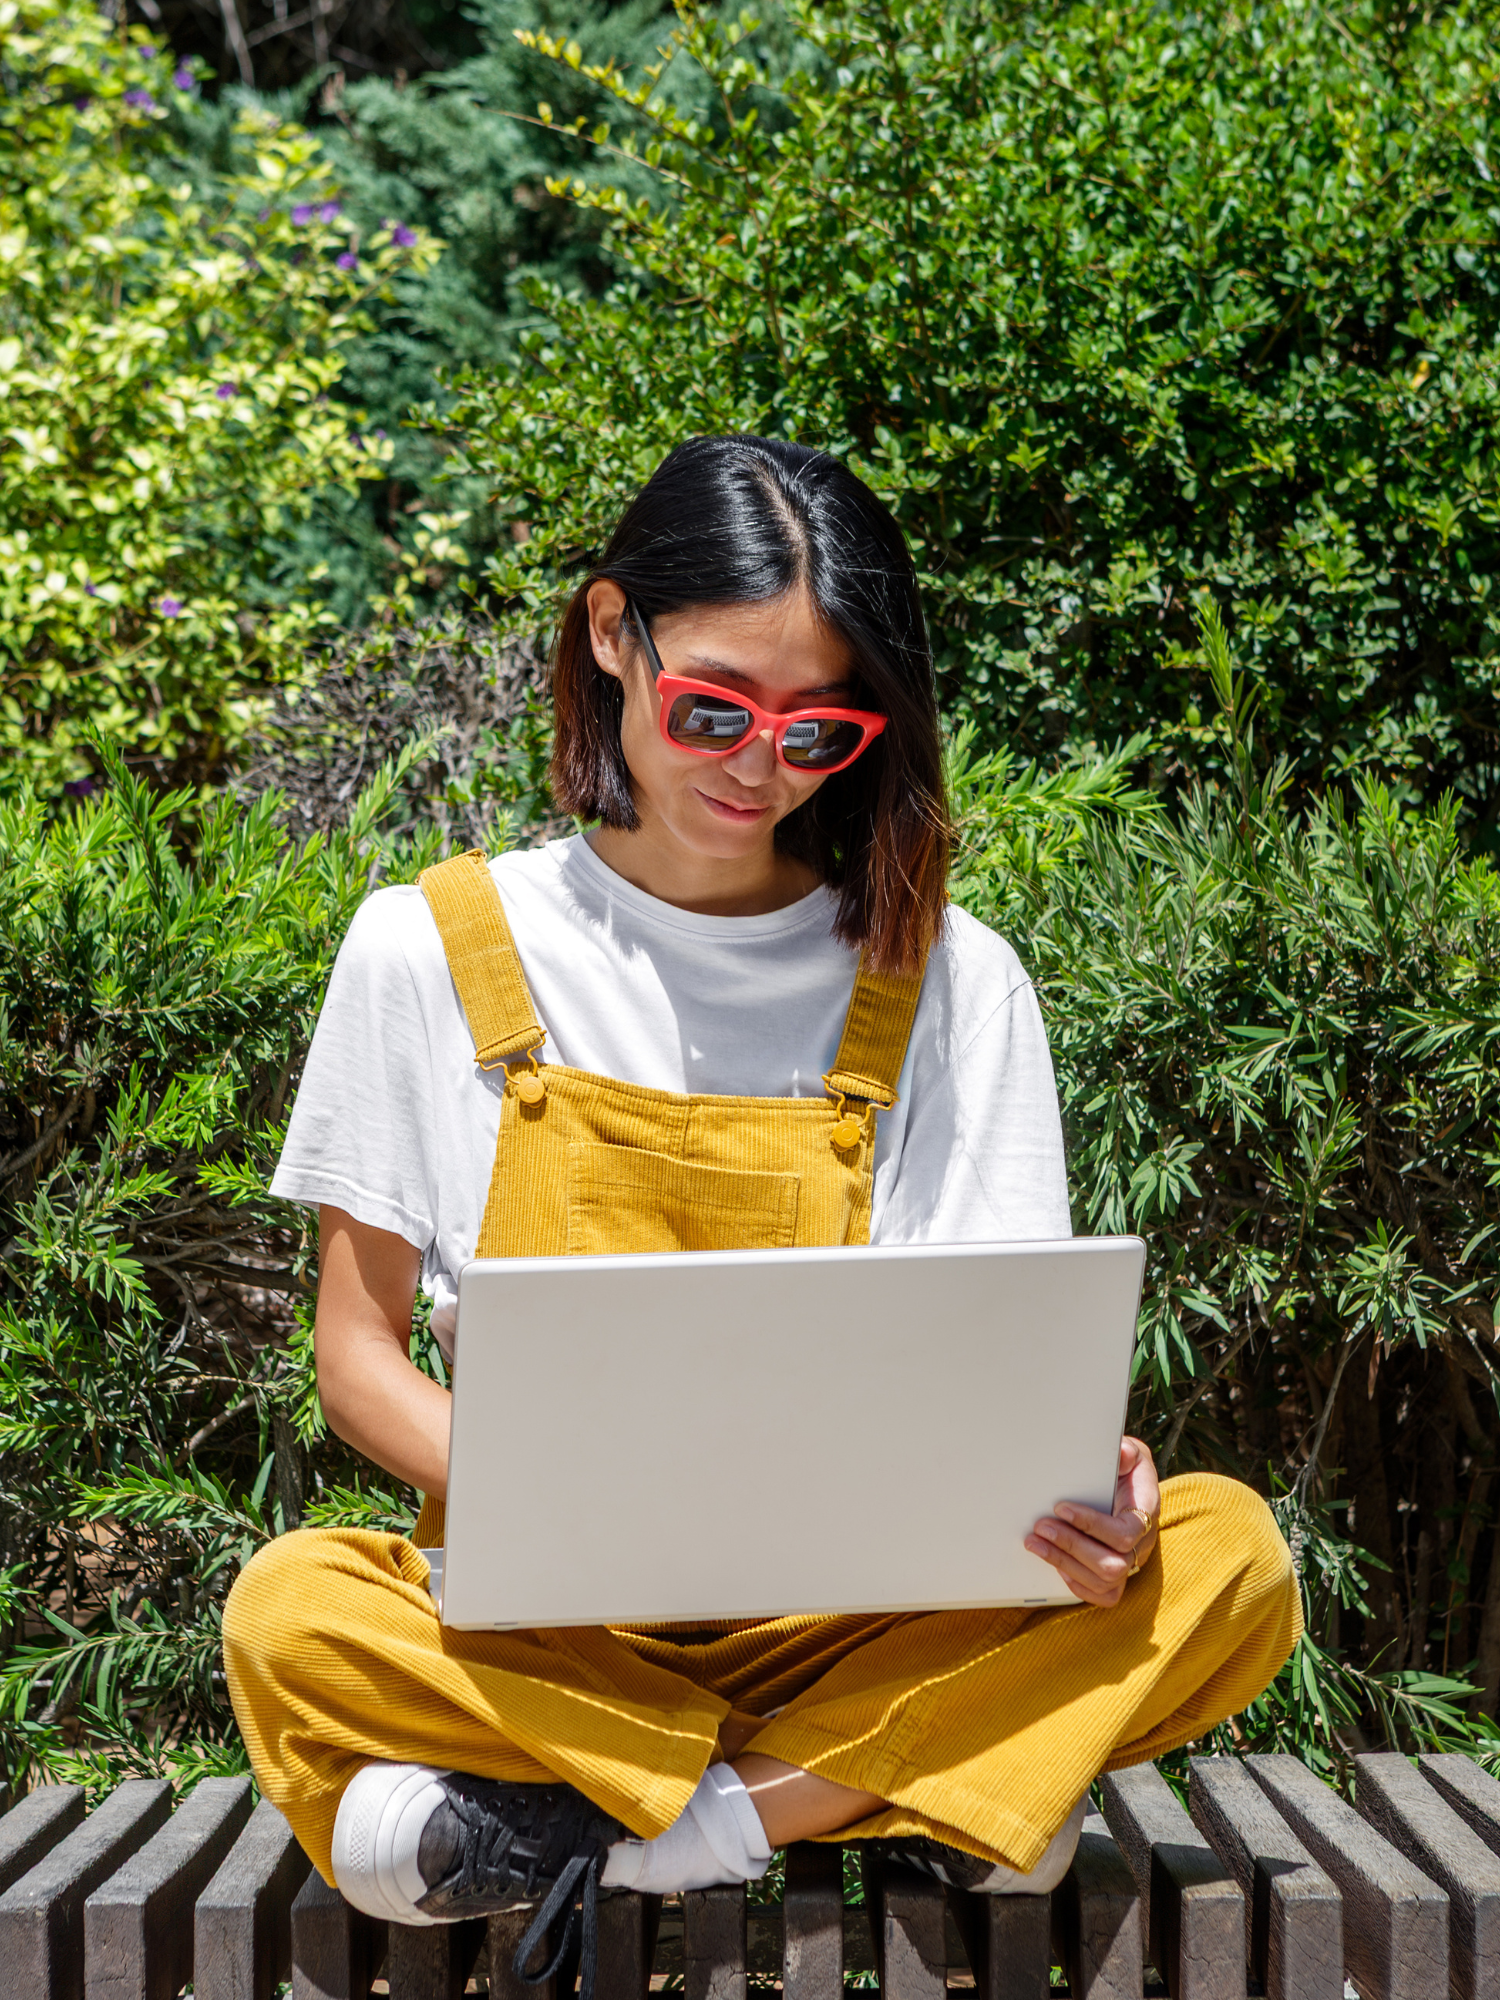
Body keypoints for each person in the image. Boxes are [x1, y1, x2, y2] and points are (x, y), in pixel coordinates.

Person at [223, 435, 1300, 1999]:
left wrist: (1088, 1493)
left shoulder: (946, 973)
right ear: (613, 635)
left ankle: (651, 1829)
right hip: (551, 1622)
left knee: (1226, 1555)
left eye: (820, 728)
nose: (759, 764)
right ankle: (905, 1793)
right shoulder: (427, 946)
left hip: (860, 1620)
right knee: (294, 1607)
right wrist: (584, 1490)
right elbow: (358, 1360)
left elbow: (1002, 1358)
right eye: (715, 707)